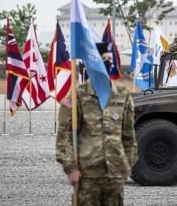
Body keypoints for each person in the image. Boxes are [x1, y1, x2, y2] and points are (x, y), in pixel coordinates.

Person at [56, 42, 137, 206]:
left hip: (115, 176)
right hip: (87, 175)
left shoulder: (123, 95)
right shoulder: (77, 95)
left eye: (109, 59)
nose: (106, 63)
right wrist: (71, 168)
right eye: (102, 59)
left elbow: (129, 136)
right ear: (92, 63)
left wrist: (126, 164)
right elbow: (65, 136)